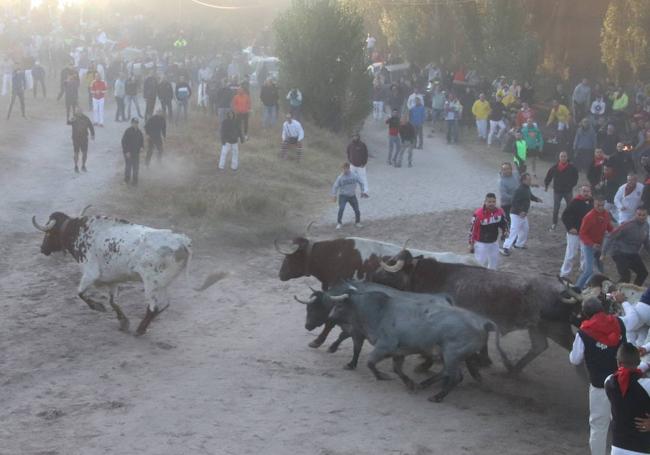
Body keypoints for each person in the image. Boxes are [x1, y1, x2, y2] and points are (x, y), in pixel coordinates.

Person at [569, 297, 626, 455]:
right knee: (622, 423)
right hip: (623, 382)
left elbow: (575, 359)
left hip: (600, 386)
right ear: (602, 309)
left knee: (598, 426)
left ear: (586, 314)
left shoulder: (583, 332)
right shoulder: (619, 323)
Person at [605, 343, 650, 455]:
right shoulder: (647, 385)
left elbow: (630, 372)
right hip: (642, 448)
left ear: (618, 362)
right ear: (638, 362)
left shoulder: (609, 382)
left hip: (617, 447)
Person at [575, 194, 614, 289]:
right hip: (589, 246)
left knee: (601, 270)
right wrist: (592, 244)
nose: (600, 207)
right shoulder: (589, 216)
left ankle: (596, 288)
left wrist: (616, 232)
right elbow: (582, 233)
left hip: (599, 245)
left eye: (602, 205)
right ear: (594, 204)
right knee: (588, 270)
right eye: (598, 205)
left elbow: (609, 227)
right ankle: (577, 288)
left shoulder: (606, 214)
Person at [603, 207, 650, 286]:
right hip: (619, 253)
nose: (641, 217)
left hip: (633, 253)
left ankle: (633, 292)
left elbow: (645, 242)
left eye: (643, 215)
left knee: (643, 273)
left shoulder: (646, 226)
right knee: (626, 276)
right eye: (639, 215)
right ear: (635, 215)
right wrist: (603, 253)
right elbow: (611, 236)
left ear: (647, 215)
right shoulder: (627, 225)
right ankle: (613, 294)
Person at [500, 173, 543, 256]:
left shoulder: (526, 188)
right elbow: (513, 202)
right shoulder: (519, 190)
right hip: (516, 214)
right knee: (514, 231)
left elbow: (530, 196)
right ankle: (505, 247)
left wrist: (537, 199)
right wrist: (520, 211)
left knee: (525, 229)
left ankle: (519, 244)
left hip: (522, 214)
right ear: (523, 180)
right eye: (528, 180)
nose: (530, 181)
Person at [560, 185, 593, 278]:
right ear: (580, 192)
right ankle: (564, 274)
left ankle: (584, 273)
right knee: (571, 254)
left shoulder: (592, 203)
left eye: (588, 191)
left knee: (585, 254)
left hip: (586, 233)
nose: (586, 193)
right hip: (574, 233)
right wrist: (570, 227)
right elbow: (565, 216)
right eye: (584, 191)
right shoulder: (575, 202)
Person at [469, 193, 509, 270]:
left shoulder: (500, 212)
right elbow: (472, 229)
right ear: (485, 202)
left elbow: (504, 223)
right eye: (489, 202)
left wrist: (506, 231)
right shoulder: (478, 214)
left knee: (494, 263)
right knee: (479, 265)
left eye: (493, 202)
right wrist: (471, 244)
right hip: (481, 243)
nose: (491, 204)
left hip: (493, 242)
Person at [544, 151, 579, 231]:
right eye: (562, 156)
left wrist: (572, 185)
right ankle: (554, 223)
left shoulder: (572, 168)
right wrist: (546, 185)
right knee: (556, 208)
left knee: (570, 208)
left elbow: (576, 177)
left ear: (567, 157)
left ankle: (571, 223)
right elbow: (548, 176)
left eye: (564, 156)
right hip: (557, 191)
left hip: (568, 191)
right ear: (559, 158)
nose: (563, 158)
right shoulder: (554, 167)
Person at [331, 162, 366, 230]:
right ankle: (339, 223)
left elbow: (361, 182)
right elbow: (335, 186)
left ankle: (357, 222)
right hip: (343, 196)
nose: (344, 171)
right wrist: (334, 195)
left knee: (357, 210)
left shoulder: (354, 175)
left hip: (352, 195)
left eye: (345, 169)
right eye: (343, 169)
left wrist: (362, 191)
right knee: (341, 208)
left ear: (348, 168)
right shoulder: (340, 177)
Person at [121, 118, 144, 186]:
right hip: (128, 153)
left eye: (136, 123)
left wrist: (142, 147)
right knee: (128, 166)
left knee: (136, 167)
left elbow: (141, 141)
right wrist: (126, 151)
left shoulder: (139, 132)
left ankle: (135, 181)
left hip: (136, 153)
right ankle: (126, 180)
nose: (135, 124)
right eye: (134, 123)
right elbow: (123, 142)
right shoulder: (128, 131)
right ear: (131, 123)